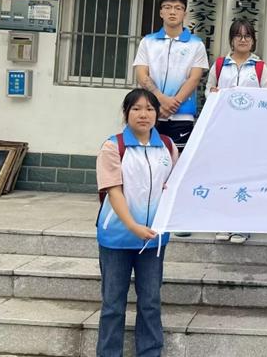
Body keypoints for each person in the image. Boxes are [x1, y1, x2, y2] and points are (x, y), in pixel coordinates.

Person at [95, 88, 178, 357]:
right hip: (117, 238)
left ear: (158, 113)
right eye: (137, 109)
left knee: (150, 302)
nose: (144, 114)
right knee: (113, 305)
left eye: (150, 109)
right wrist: (132, 225)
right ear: (126, 113)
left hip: (153, 239)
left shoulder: (167, 146)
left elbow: (174, 186)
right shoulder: (113, 146)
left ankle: (150, 352)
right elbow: (113, 190)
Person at [207, 19, 267, 244]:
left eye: (247, 36)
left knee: (246, 177)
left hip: (250, 133)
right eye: (238, 35)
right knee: (223, 176)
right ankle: (222, 222)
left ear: (253, 40)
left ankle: (243, 225)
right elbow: (208, 91)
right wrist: (214, 94)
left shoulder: (260, 67)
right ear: (231, 39)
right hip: (223, 130)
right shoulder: (219, 65)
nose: (243, 40)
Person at [133, 0, 209, 151]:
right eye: (167, 7)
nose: (172, 12)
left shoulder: (196, 44)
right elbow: (141, 74)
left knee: (178, 159)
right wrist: (161, 99)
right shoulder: (148, 42)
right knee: (148, 157)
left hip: (183, 114)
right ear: (161, 12)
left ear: (184, 13)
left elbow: (195, 78)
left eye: (178, 8)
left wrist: (173, 104)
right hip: (151, 111)